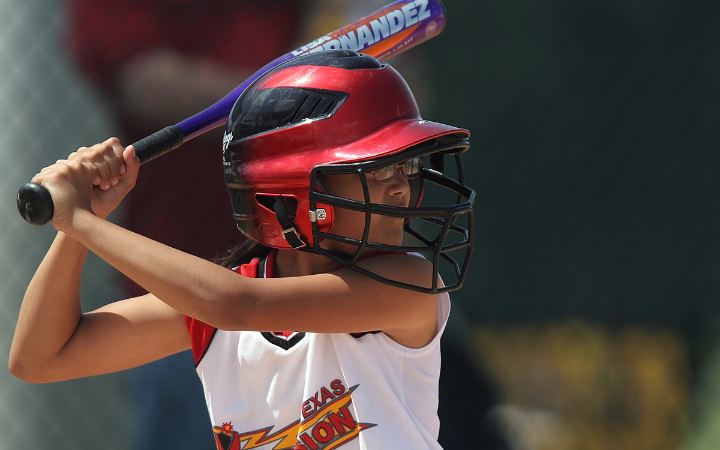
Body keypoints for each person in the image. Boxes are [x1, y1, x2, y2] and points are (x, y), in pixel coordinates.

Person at [9, 50, 474, 449]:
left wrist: (81, 220)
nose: (401, 188)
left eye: (405, 165)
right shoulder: (214, 308)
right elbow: (40, 358)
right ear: (288, 191)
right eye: (375, 169)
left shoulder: (409, 284)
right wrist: (77, 226)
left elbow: (238, 305)